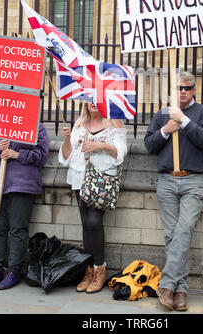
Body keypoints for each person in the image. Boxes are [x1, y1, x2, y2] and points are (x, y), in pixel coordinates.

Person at [144, 71, 203, 311]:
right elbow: (149, 145)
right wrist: (166, 128)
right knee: (172, 237)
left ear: (194, 90)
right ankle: (180, 290)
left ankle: (167, 285)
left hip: (194, 180)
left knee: (183, 231)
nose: (183, 91)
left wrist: (184, 121)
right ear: (173, 90)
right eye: (179, 88)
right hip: (166, 180)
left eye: (187, 88)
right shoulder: (162, 114)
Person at [59, 102, 127, 294]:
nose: (92, 103)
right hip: (80, 177)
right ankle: (89, 269)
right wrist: (66, 140)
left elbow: (121, 152)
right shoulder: (79, 125)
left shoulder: (114, 123)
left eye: (97, 99)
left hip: (101, 179)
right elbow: (67, 156)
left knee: (94, 220)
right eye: (89, 99)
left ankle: (100, 269)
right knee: (85, 224)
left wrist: (102, 145)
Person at [0, 123, 49, 290]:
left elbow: (41, 155)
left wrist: (17, 154)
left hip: (23, 185)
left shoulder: (36, 126)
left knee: (18, 229)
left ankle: (13, 271)